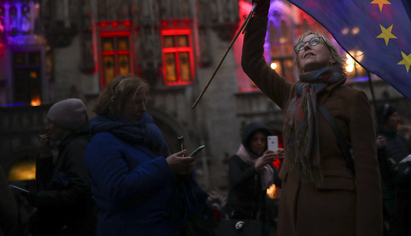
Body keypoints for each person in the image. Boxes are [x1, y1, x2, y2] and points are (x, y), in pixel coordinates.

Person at [241, 0, 382, 236]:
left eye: (314, 42)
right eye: (301, 46)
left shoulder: (352, 99)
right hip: (292, 212)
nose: (306, 46)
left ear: (332, 57)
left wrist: (368, 229)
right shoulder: (291, 95)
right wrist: (259, 14)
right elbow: (251, 62)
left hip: (334, 211)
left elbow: (367, 172)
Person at [85, 75, 207, 236]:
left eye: (144, 102)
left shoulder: (148, 137)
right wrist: (165, 166)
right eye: (137, 102)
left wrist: (181, 171)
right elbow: (117, 190)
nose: (143, 108)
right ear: (117, 104)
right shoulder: (103, 142)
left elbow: (157, 181)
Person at [23, 98, 96, 235]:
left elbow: (80, 192)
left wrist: (40, 197)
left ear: (63, 124)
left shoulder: (76, 147)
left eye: (50, 122)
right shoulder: (69, 146)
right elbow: (49, 184)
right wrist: (45, 155)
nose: (47, 127)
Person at [225, 122, 282, 235]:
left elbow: (280, 182)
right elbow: (236, 182)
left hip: (262, 221)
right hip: (240, 221)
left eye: (263, 140)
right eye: (255, 140)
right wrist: (255, 168)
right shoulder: (236, 160)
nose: (259, 143)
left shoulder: (267, 165)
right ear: (248, 141)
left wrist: (284, 161)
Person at [376, 103, 411, 236]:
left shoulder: (402, 139)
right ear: (384, 118)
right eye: (394, 116)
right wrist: (377, 149)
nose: (397, 119)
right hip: (391, 194)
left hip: (408, 190)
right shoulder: (376, 140)